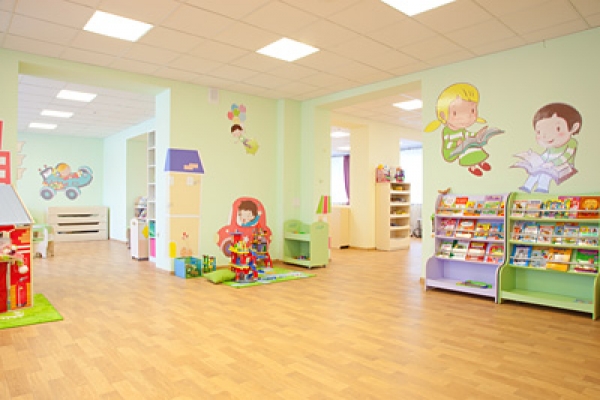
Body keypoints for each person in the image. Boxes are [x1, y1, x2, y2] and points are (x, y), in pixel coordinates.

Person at [424, 83, 494, 177]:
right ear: (443, 115)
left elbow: (468, 134)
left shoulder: (462, 130)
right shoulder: (447, 131)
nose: (466, 117)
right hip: (451, 152)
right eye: (455, 113)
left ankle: (481, 162)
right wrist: (456, 144)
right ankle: (472, 167)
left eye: (472, 110)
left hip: (461, 147)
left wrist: (478, 134)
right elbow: (447, 144)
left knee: (474, 145)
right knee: (468, 149)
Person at [518, 103, 581, 193]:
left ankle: (542, 188)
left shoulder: (572, 143)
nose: (546, 136)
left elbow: (566, 156)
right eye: (539, 132)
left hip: (565, 166)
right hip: (549, 165)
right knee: (535, 173)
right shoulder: (551, 147)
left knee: (546, 174)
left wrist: (552, 163)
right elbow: (546, 156)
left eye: (557, 129)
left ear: (573, 128)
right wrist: (535, 160)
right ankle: (527, 186)